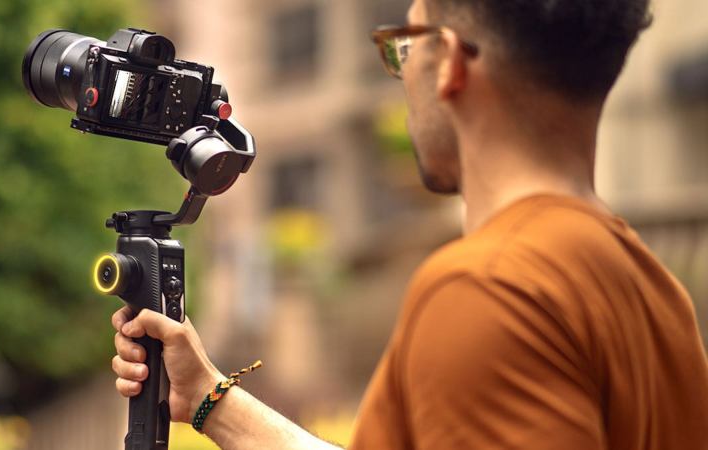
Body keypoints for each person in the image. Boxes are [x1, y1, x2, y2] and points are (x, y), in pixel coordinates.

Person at [110, 0, 708, 448]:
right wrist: (208, 397)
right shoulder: (656, 294)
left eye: (405, 45)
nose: (402, 75)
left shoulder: (490, 291)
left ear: (447, 62)